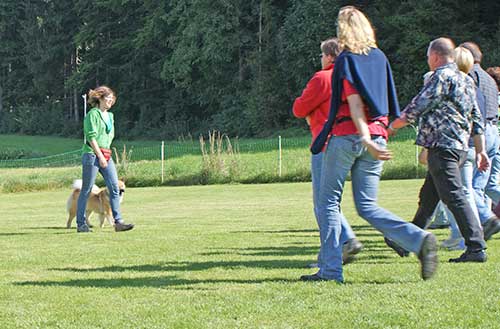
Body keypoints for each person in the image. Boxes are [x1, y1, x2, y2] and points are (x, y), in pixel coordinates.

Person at [300, 6, 438, 283]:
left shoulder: (346, 60)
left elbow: (353, 102)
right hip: (376, 134)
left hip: (349, 136)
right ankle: (419, 239)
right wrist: (378, 135)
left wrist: (364, 136)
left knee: (327, 203)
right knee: (367, 205)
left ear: (343, 30)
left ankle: (330, 270)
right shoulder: (379, 57)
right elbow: (385, 99)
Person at [388, 38, 488, 262]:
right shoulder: (467, 79)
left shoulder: (441, 76)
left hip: (442, 145)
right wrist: (480, 150)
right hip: (459, 146)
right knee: (429, 198)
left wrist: (393, 126)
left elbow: (419, 104)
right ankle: (405, 241)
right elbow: (477, 118)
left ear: (434, 56)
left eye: (428, 58)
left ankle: (476, 247)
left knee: (455, 196)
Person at [293, 38, 362, 267]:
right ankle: (339, 246)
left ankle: (342, 243)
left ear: (330, 56)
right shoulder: (351, 76)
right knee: (332, 201)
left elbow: (299, 108)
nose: (321, 59)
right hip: (351, 141)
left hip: (325, 143)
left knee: (323, 204)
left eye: (323, 55)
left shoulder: (323, 78)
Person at [76, 86, 135, 233]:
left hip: (106, 154)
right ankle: (81, 224)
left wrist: (106, 155)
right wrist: (100, 156)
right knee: (87, 189)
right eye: (107, 98)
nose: (110, 101)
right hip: (92, 154)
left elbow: (108, 137)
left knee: (114, 187)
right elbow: (91, 137)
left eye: (112, 99)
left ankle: (118, 222)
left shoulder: (111, 116)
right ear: (100, 98)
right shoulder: (92, 114)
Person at [460, 42, 500, 241]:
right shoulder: (489, 78)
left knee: (469, 188)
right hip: (494, 131)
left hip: (480, 132)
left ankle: (487, 219)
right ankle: (484, 224)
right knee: (484, 186)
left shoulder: (470, 76)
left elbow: (474, 110)